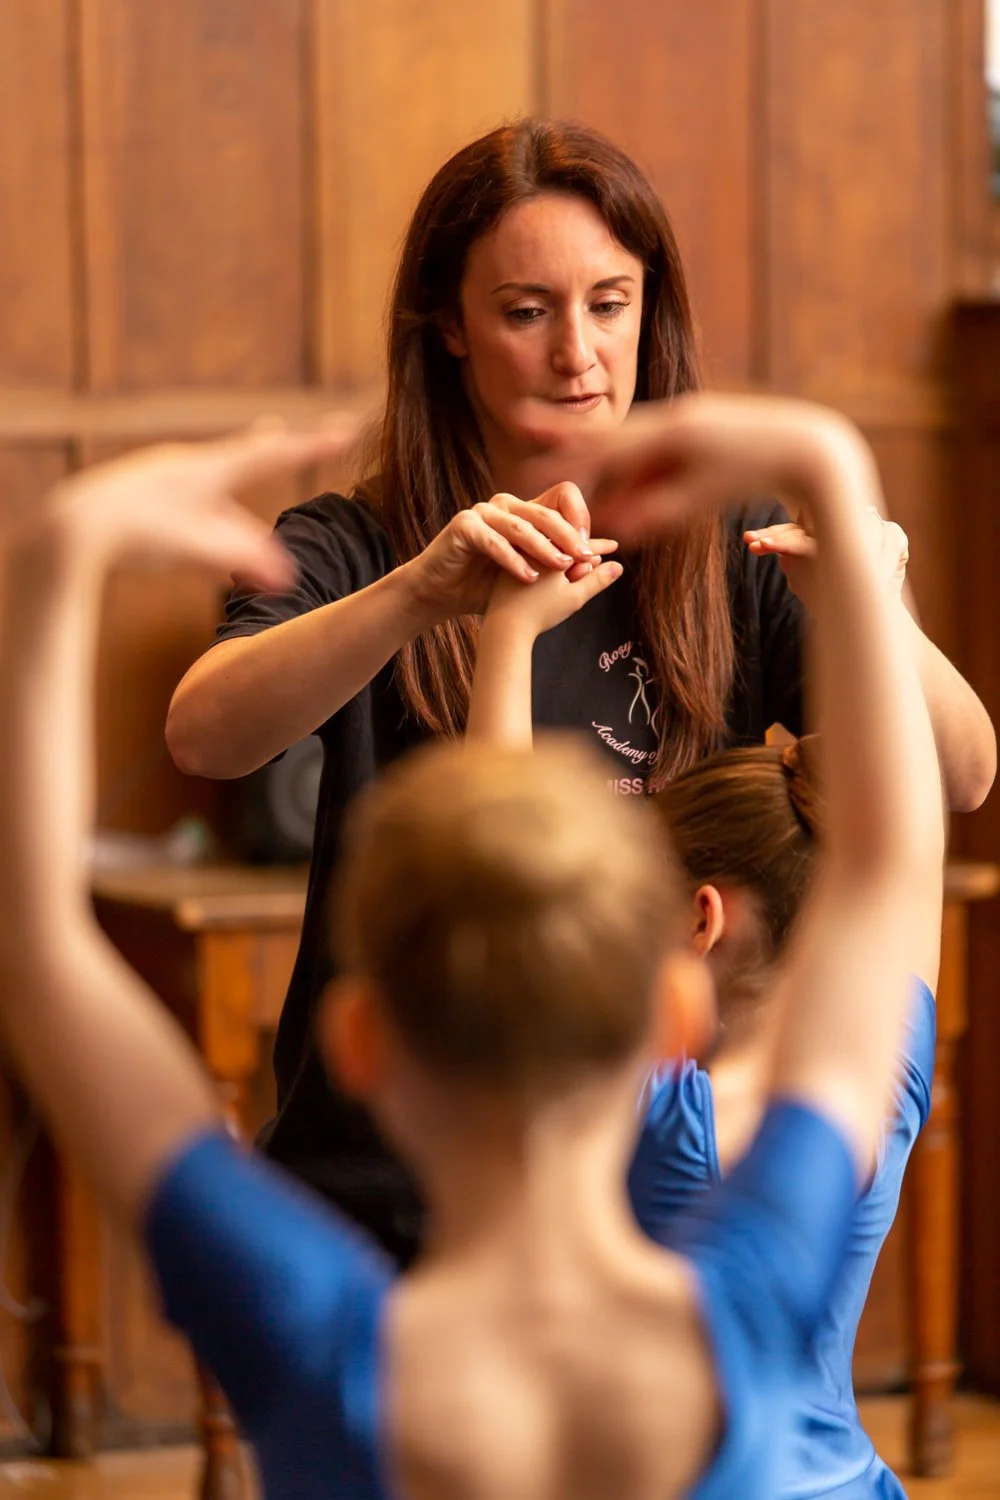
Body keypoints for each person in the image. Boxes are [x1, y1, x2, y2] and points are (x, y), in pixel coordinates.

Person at [0, 395, 942, 1499]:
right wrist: (828, 465)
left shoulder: (317, 1343)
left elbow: (41, 953)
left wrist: (58, 564)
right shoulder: (759, 1288)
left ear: (359, 1042)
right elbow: (885, 868)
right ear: (667, 1018)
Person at [164, 117, 994, 1264]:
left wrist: (869, 592)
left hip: (654, 1194)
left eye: (610, 303)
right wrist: (415, 595)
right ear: (447, 327)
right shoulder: (355, 544)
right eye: (525, 312)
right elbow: (205, 733)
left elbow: (960, 773)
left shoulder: (731, 540)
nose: (579, 354)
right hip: (396, 1195)